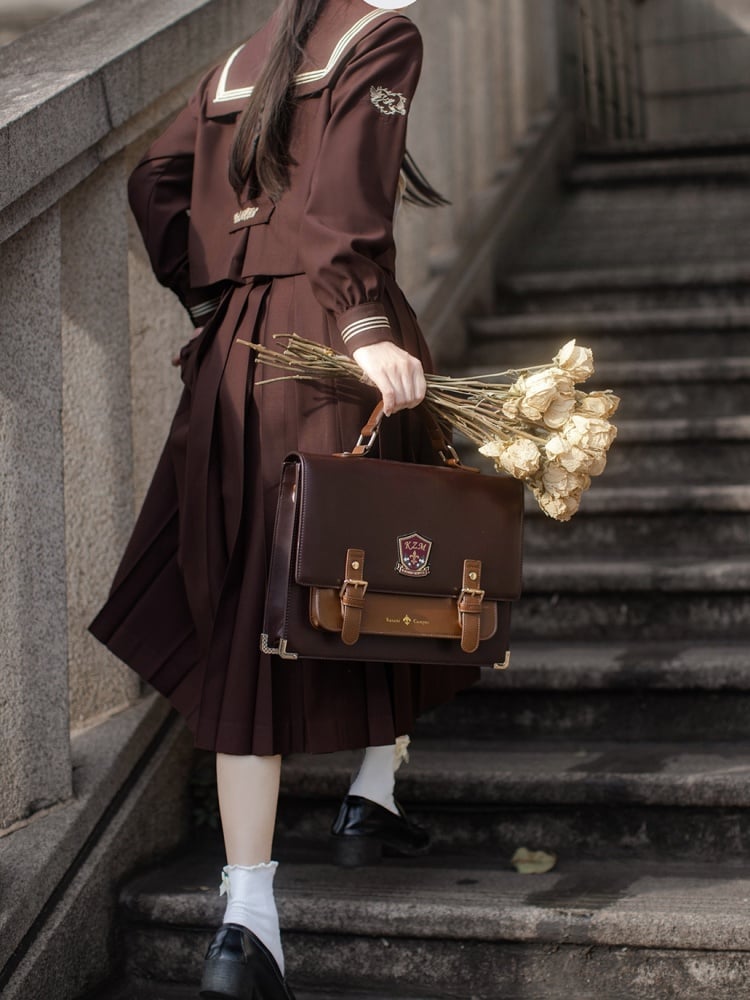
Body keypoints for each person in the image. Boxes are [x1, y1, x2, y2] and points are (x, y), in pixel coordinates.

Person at [88, 0, 480, 996]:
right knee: (406, 558)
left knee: (249, 616)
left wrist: (221, 287)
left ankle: (250, 913)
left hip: (238, 356)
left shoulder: (251, 54)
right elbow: (347, 206)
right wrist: (360, 327)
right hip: (329, 345)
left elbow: (154, 181)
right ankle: (369, 792)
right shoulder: (384, 31)